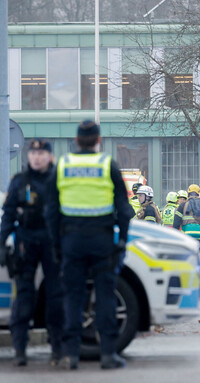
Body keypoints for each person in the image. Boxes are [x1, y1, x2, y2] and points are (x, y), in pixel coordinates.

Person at [45, 120, 134, 370]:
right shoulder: (108, 165)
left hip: (71, 240)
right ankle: (107, 354)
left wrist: (56, 243)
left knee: (73, 296)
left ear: (75, 140)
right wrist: (122, 241)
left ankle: (71, 355)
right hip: (102, 240)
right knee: (105, 295)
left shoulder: (63, 166)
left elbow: (51, 211)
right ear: (98, 140)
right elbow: (124, 210)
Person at [0, 139, 62, 367]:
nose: (36, 157)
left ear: (49, 156)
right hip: (25, 242)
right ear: (29, 156)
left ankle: (57, 349)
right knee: (24, 297)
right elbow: (7, 215)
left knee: (56, 297)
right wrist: (1, 243)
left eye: (41, 153)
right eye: (33, 153)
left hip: (52, 243)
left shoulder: (59, 181)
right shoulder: (19, 182)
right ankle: (20, 350)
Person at [173, 184, 200, 295]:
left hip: (187, 238)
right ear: (198, 193)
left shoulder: (182, 206)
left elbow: (175, 224)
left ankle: (189, 287)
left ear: (188, 193)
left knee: (187, 261)